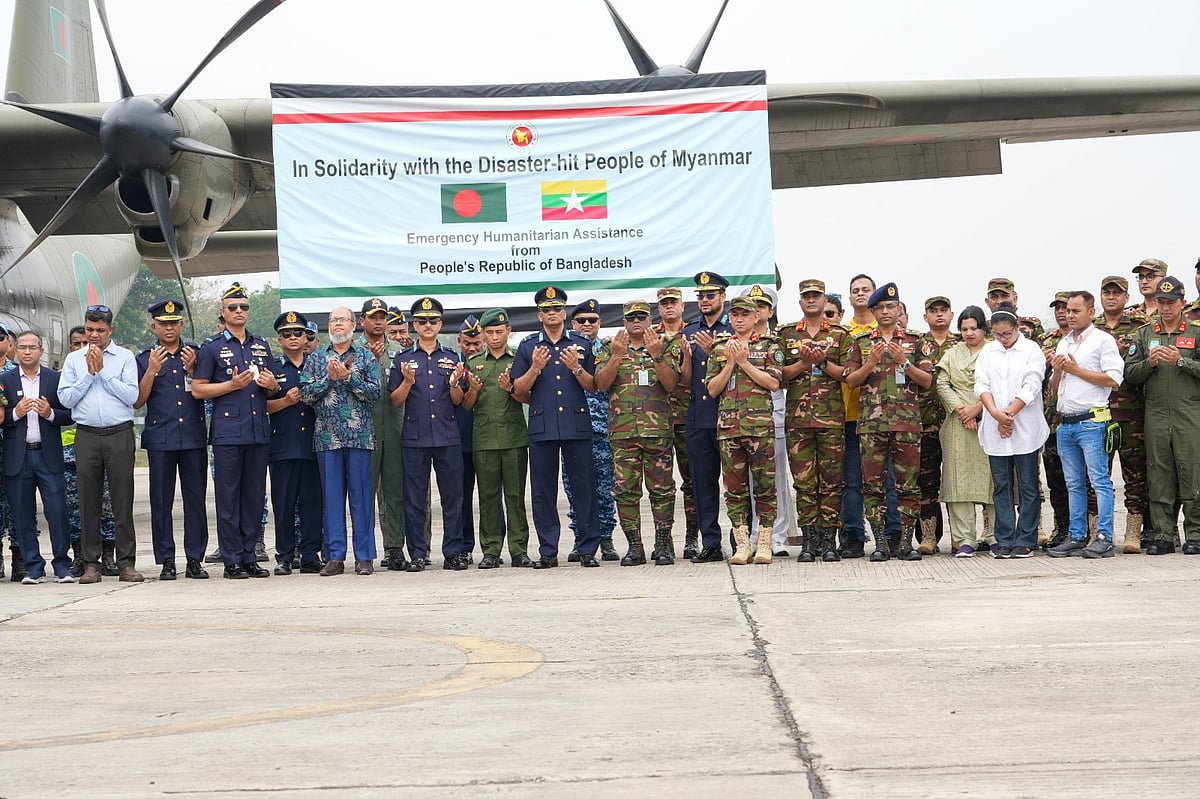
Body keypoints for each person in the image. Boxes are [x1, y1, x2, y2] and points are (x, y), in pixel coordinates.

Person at [192, 282, 279, 579]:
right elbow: (199, 389)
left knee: (254, 497)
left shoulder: (260, 345)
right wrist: (231, 385)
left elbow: (271, 386)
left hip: (257, 431)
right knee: (228, 498)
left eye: (243, 307)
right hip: (228, 432)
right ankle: (231, 559)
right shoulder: (212, 348)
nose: (239, 311)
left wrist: (273, 386)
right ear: (223, 312)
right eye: (233, 307)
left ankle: (249, 555)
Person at [511, 286, 601, 568]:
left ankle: (588, 549)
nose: (552, 314)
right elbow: (518, 388)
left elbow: (594, 385)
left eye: (557, 309)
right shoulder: (528, 347)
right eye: (546, 310)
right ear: (540, 315)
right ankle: (548, 551)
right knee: (542, 491)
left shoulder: (581, 344)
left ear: (564, 313)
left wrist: (576, 367)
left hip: (576, 425)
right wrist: (535, 368)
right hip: (543, 426)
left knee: (584, 488)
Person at [844, 282, 934, 561]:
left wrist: (904, 363)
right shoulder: (860, 342)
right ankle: (881, 543)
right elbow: (850, 380)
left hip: (907, 423)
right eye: (880, 307)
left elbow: (928, 381)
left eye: (890, 306)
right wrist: (870, 363)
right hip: (872, 425)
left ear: (899, 309)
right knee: (872, 485)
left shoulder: (916, 341)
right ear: (872, 310)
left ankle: (905, 543)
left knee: (908, 485)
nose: (885, 311)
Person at [58, 304, 142, 583]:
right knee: (88, 501)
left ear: (110, 330)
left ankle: (126, 562)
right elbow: (66, 400)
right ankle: (90, 563)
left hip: (119, 433)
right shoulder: (74, 360)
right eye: (90, 329)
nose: (94, 335)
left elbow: (132, 395)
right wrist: (89, 373)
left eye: (100, 330)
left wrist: (103, 371)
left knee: (121, 500)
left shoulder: (125, 357)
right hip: (87, 435)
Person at [595, 299, 681, 565]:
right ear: (624, 322)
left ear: (649, 320)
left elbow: (671, 384)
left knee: (662, 490)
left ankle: (663, 544)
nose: (636, 321)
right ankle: (635, 546)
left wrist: (656, 355)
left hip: (657, 433)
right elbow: (600, 384)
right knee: (625, 491)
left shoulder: (664, 344)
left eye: (641, 317)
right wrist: (618, 356)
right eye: (631, 317)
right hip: (623, 433)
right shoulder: (609, 347)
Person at [300, 307, 381, 576]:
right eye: (333, 320)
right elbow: (306, 394)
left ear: (354, 325)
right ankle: (335, 556)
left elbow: (375, 393)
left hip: (359, 437)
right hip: (327, 437)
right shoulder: (315, 359)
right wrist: (328, 379)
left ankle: (365, 557)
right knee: (332, 500)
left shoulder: (366, 355)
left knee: (361, 499)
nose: (336, 324)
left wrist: (348, 377)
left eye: (342, 320)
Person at [390, 297, 468, 571]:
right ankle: (418, 554)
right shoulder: (402, 360)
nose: (427, 325)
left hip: (447, 436)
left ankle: (454, 552)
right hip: (415, 437)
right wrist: (408, 382)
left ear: (440, 325)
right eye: (422, 321)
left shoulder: (452, 358)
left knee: (453, 498)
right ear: (414, 325)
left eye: (432, 321)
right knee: (414, 498)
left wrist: (456, 383)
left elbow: (458, 400)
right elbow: (395, 401)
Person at [1124, 276, 1200, 554]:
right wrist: (1149, 363)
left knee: (1192, 472)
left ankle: (1195, 534)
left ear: (1182, 302)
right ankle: (1164, 535)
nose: (1165, 308)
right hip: (1156, 414)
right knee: (1159, 474)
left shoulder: (1195, 331)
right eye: (1161, 302)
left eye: (1171, 302)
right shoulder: (1145, 333)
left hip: (1190, 413)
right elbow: (1129, 373)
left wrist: (1181, 361)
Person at [134, 300, 210, 580]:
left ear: (181, 325)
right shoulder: (144, 358)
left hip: (192, 437)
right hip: (160, 439)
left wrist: (193, 371)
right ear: (153, 326)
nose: (169, 328)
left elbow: (205, 390)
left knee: (195, 502)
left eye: (174, 323)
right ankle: (166, 560)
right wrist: (151, 370)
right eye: (163, 324)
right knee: (161, 502)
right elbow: (138, 400)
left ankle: (194, 559)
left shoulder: (196, 354)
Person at [705, 295, 782, 565]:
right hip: (729, 429)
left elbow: (773, 383)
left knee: (764, 488)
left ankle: (764, 544)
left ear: (755, 318)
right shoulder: (718, 348)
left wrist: (745, 362)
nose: (739, 319)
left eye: (744, 314)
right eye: (734, 314)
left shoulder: (770, 346)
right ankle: (741, 544)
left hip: (759, 428)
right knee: (734, 489)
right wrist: (729, 363)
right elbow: (712, 389)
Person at [1047, 291, 1124, 559]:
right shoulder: (1063, 342)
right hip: (1066, 423)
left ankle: (1104, 536)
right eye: (1068, 310)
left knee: (1100, 481)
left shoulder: (1103, 340)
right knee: (1074, 483)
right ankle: (1077, 535)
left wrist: (1076, 370)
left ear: (1091, 312)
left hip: (1091, 421)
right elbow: (1055, 389)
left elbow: (1114, 379)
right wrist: (1057, 370)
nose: (1070, 315)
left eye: (1076, 311)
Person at [778, 278, 850, 562]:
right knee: (805, 484)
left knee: (831, 483)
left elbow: (848, 374)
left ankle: (829, 541)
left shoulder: (840, 336)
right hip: (797, 421)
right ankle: (809, 542)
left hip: (831, 419)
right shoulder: (786, 334)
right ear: (800, 302)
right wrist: (804, 364)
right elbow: (779, 375)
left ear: (824, 300)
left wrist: (822, 363)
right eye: (806, 296)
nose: (811, 300)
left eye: (816, 296)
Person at [975, 305, 1050, 558]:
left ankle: (1026, 539)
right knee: (1001, 486)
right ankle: (1004, 538)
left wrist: (1009, 414)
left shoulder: (1031, 350)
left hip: (1024, 428)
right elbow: (981, 384)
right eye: (997, 335)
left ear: (1017, 329)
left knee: (1028, 486)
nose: (1002, 339)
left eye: (1006, 334)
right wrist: (996, 413)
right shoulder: (988, 351)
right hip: (996, 427)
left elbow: (1032, 384)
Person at [1, 331, 74, 583]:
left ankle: (63, 564)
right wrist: (15, 414)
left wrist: (50, 413)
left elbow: (71, 414)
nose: (27, 352)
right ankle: (33, 566)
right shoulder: (5, 380)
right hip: (17, 456)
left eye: (32, 347)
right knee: (22, 513)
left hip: (47, 454)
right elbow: (1, 419)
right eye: (22, 347)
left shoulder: (55, 379)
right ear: (14, 349)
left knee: (56, 509)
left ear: (42, 351)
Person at [462, 308, 532, 568]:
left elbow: (528, 397)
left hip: (514, 437)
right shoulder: (473, 363)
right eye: (489, 332)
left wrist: (510, 389)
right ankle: (491, 550)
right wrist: (474, 391)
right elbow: (467, 405)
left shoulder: (519, 360)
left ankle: (519, 550)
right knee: (488, 497)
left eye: (499, 332)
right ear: (483, 334)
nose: (494, 337)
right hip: (484, 438)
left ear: (508, 331)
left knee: (515, 497)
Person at [1094, 275, 1153, 553]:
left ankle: (1133, 531)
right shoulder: (1092, 329)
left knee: (1135, 474)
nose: (1111, 297)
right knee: (1097, 475)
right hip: (1099, 413)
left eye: (1117, 293)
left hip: (1132, 411)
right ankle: (1099, 531)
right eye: (1107, 292)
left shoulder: (1141, 327)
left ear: (1126, 298)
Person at [741, 284, 798, 556]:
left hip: (772, 412)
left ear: (769, 311)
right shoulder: (736, 341)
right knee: (748, 481)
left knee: (775, 479)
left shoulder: (777, 341)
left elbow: (780, 378)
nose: (756, 311)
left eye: (761, 306)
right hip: (741, 417)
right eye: (751, 307)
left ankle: (776, 536)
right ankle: (753, 536)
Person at [561, 299, 619, 561]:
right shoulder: (563, 350)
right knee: (575, 489)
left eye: (592, 320)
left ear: (600, 323)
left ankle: (605, 538)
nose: (586, 325)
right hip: (572, 430)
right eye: (581, 320)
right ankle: (581, 538)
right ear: (572, 323)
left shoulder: (608, 350)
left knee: (605, 488)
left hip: (603, 431)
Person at [266, 311, 324, 575]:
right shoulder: (273, 369)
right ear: (279, 340)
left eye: (298, 333)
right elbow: (262, 406)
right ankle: (285, 556)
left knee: (313, 503)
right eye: (286, 334)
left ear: (306, 338)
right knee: (284, 505)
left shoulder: (319, 365)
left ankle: (311, 555)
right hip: (283, 446)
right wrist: (286, 401)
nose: (293, 338)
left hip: (314, 444)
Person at [934, 306, 994, 557]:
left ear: (983, 329)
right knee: (958, 481)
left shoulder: (995, 351)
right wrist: (962, 411)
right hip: (957, 423)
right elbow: (941, 383)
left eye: (974, 328)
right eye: (964, 329)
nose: (969, 333)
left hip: (990, 419)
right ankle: (964, 540)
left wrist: (978, 409)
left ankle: (994, 536)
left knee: (993, 480)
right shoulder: (951, 353)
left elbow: (1003, 382)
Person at [682, 271, 733, 563]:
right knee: (703, 484)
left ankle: (741, 539)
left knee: (737, 484)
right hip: (699, 417)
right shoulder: (689, 331)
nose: (704, 300)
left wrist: (712, 351)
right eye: (700, 295)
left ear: (722, 298)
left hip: (729, 417)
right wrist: (689, 359)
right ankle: (710, 542)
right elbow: (686, 380)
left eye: (710, 295)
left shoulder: (734, 328)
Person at [359, 299, 408, 571]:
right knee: (364, 491)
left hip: (394, 427)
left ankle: (394, 548)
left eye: (382, 317)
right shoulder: (352, 352)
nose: (378, 321)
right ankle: (364, 550)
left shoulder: (399, 352)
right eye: (373, 317)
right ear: (362, 321)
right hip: (363, 431)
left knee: (394, 491)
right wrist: (370, 360)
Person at [654, 287, 699, 557]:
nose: (669, 307)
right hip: (656, 420)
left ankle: (692, 537)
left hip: (686, 417)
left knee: (691, 481)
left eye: (673, 303)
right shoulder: (651, 336)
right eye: (664, 304)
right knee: (660, 484)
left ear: (683, 306)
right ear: (659, 308)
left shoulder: (692, 334)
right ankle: (663, 540)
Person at [914, 296, 959, 554]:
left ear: (951, 315)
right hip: (925, 422)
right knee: (926, 481)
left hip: (956, 423)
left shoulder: (961, 344)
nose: (939, 315)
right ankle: (928, 536)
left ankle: (960, 535)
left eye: (943, 311)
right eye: (933, 311)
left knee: (955, 481)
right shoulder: (918, 345)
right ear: (926, 317)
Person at [839, 274, 877, 557]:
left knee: (882, 480)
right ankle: (853, 535)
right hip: (847, 414)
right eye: (856, 291)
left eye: (866, 290)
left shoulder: (886, 329)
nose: (860, 294)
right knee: (851, 481)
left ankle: (889, 535)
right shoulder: (841, 332)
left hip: (880, 417)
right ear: (849, 298)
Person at [1039, 292, 1073, 547]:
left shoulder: (1084, 340)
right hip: (1051, 421)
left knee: (1080, 480)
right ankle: (1061, 529)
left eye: (1067, 308)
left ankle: (1082, 530)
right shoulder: (1045, 341)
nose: (1062, 312)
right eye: (1058, 308)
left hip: (1077, 418)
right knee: (1056, 481)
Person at [456, 315, 485, 561]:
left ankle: (493, 548)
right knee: (462, 497)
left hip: (489, 440)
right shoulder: (451, 364)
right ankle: (465, 547)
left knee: (490, 496)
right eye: (467, 343)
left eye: (477, 343)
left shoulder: (494, 363)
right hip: (461, 441)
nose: (472, 348)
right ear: (459, 341)